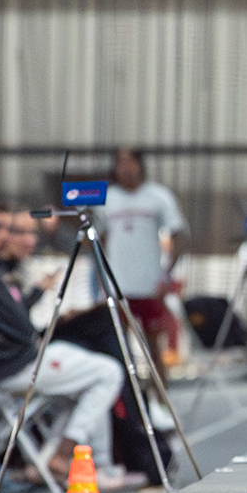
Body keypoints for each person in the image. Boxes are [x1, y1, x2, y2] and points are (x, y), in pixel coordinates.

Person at [0, 201, 145, 490]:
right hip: (15, 367)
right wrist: (35, 293)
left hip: (13, 361)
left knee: (84, 382)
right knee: (108, 372)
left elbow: (11, 320)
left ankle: (74, 464)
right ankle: (66, 455)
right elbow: (22, 328)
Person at [95, 148, 188, 380]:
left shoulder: (159, 197)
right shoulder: (105, 199)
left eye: (131, 163)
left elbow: (179, 235)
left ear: (140, 166)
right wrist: (102, 279)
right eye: (121, 163)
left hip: (149, 284)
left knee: (153, 346)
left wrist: (167, 275)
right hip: (118, 286)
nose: (126, 169)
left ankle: (161, 399)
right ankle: (127, 405)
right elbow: (98, 240)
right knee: (116, 346)